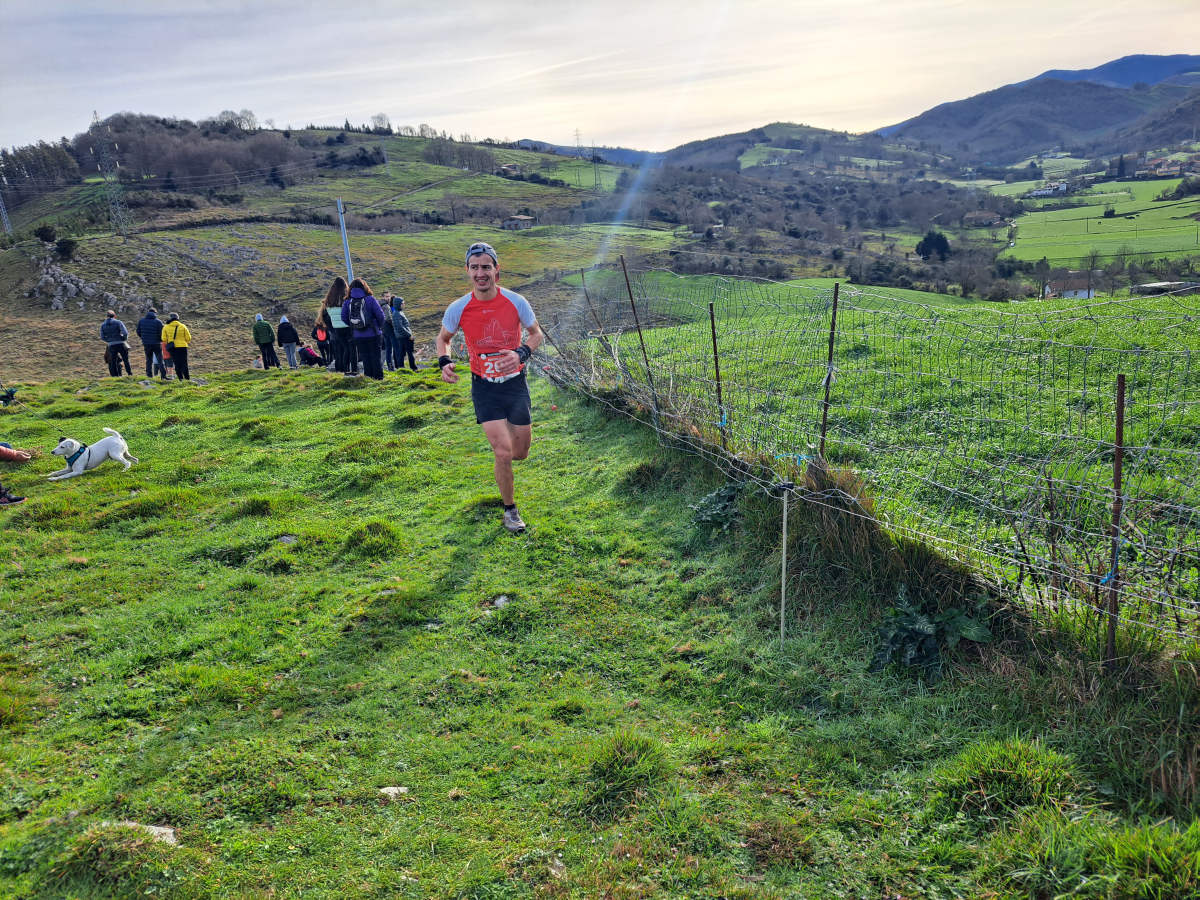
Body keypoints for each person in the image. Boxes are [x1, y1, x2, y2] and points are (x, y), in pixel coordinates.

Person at [436, 241, 543, 533]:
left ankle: (509, 435)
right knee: (503, 452)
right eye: (475, 268)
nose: (480, 273)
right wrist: (444, 360)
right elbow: (442, 338)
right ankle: (510, 510)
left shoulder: (516, 301)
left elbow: (536, 334)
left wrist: (521, 353)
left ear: (497, 270)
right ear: (467, 271)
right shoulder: (459, 308)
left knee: (520, 452)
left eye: (486, 267)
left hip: (515, 384)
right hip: (484, 387)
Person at [341, 277, 386, 380]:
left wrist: (355, 325)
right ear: (365, 287)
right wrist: (378, 326)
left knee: (365, 357)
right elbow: (381, 316)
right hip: (374, 333)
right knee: (375, 357)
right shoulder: (370, 299)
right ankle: (378, 378)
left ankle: (368, 378)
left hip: (358, 335)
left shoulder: (348, 301)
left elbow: (343, 317)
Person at [135, 307, 167, 379]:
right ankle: (163, 376)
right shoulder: (158, 322)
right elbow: (162, 333)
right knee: (160, 360)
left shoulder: (141, 321)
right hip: (156, 343)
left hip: (146, 343)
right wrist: (160, 340)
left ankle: (149, 376)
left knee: (149, 360)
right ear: (155, 313)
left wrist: (143, 338)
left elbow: (138, 332)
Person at [100, 310, 132, 376]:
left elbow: (102, 337)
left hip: (111, 345)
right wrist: (124, 339)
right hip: (121, 343)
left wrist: (109, 341)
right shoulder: (118, 322)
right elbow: (125, 333)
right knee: (126, 360)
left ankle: (116, 376)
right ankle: (129, 373)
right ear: (114, 316)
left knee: (113, 361)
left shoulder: (103, 325)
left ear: (107, 316)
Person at [391, 294, 418, 371]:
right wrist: (409, 335)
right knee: (408, 353)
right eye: (402, 303)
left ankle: (402, 368)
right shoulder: (397, 313)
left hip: (402, 336)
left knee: (402, 353)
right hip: (404, 337)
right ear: (398, 304)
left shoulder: (399, 312)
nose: (404, 304)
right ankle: (413, 368)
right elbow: (400, 327)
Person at [162, 314, 192, 380]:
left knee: (176, 363)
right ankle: (187, 378)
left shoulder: (166, 327)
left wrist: (169, 342)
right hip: (183, 347)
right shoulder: (183, 326)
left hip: (173, 348)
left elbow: (163, 339)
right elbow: (188, 338)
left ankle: (180, 378)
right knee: (184, 362)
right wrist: (184, 342)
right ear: (177, 318)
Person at [380, 291, 400, 372]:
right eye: (386, 296)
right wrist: (395, 325)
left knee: (388, 348)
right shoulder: (385, 306)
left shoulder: (380, 305)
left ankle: (390, 366)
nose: (388, 298)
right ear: (383, 297)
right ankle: (398, 366)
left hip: (383, 329)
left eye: (389, 296)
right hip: (389, 328)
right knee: (395, 347)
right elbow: (388, 318)